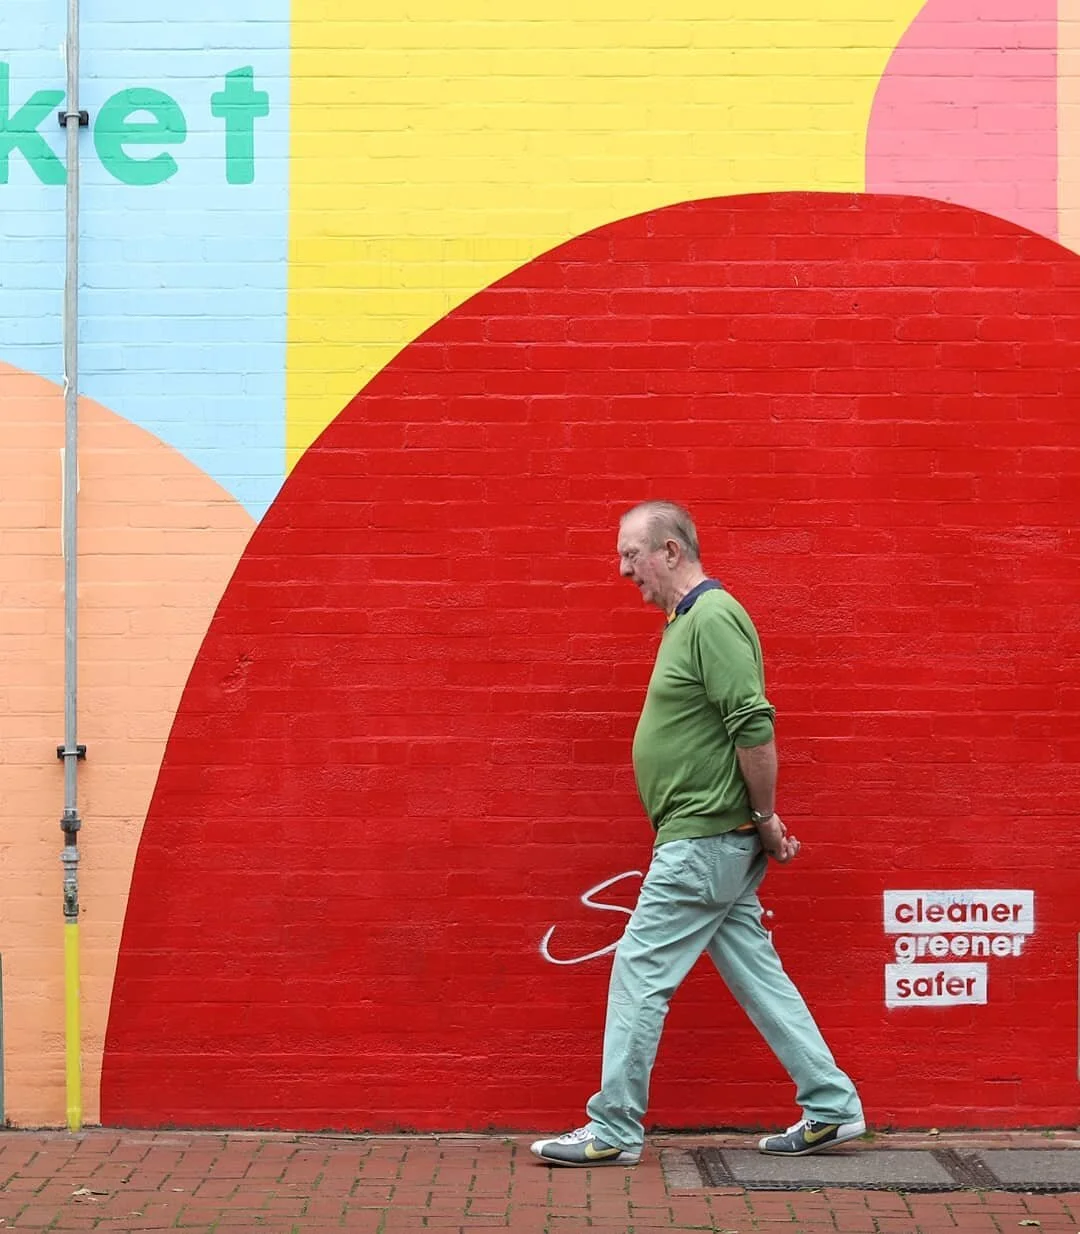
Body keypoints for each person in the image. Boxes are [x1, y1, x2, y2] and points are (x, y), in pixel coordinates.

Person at [531, 500, 863, 1167]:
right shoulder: (687, 623)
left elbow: (753, 724)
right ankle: (832, 1106)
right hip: (714, 840)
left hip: (703, 843)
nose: (623, 569)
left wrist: (764, 817)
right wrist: (757, 819)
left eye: (632, 553)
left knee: (638, 971)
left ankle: (614, 1131)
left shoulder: (712, 618)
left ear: (672, 551)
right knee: (757, 976)